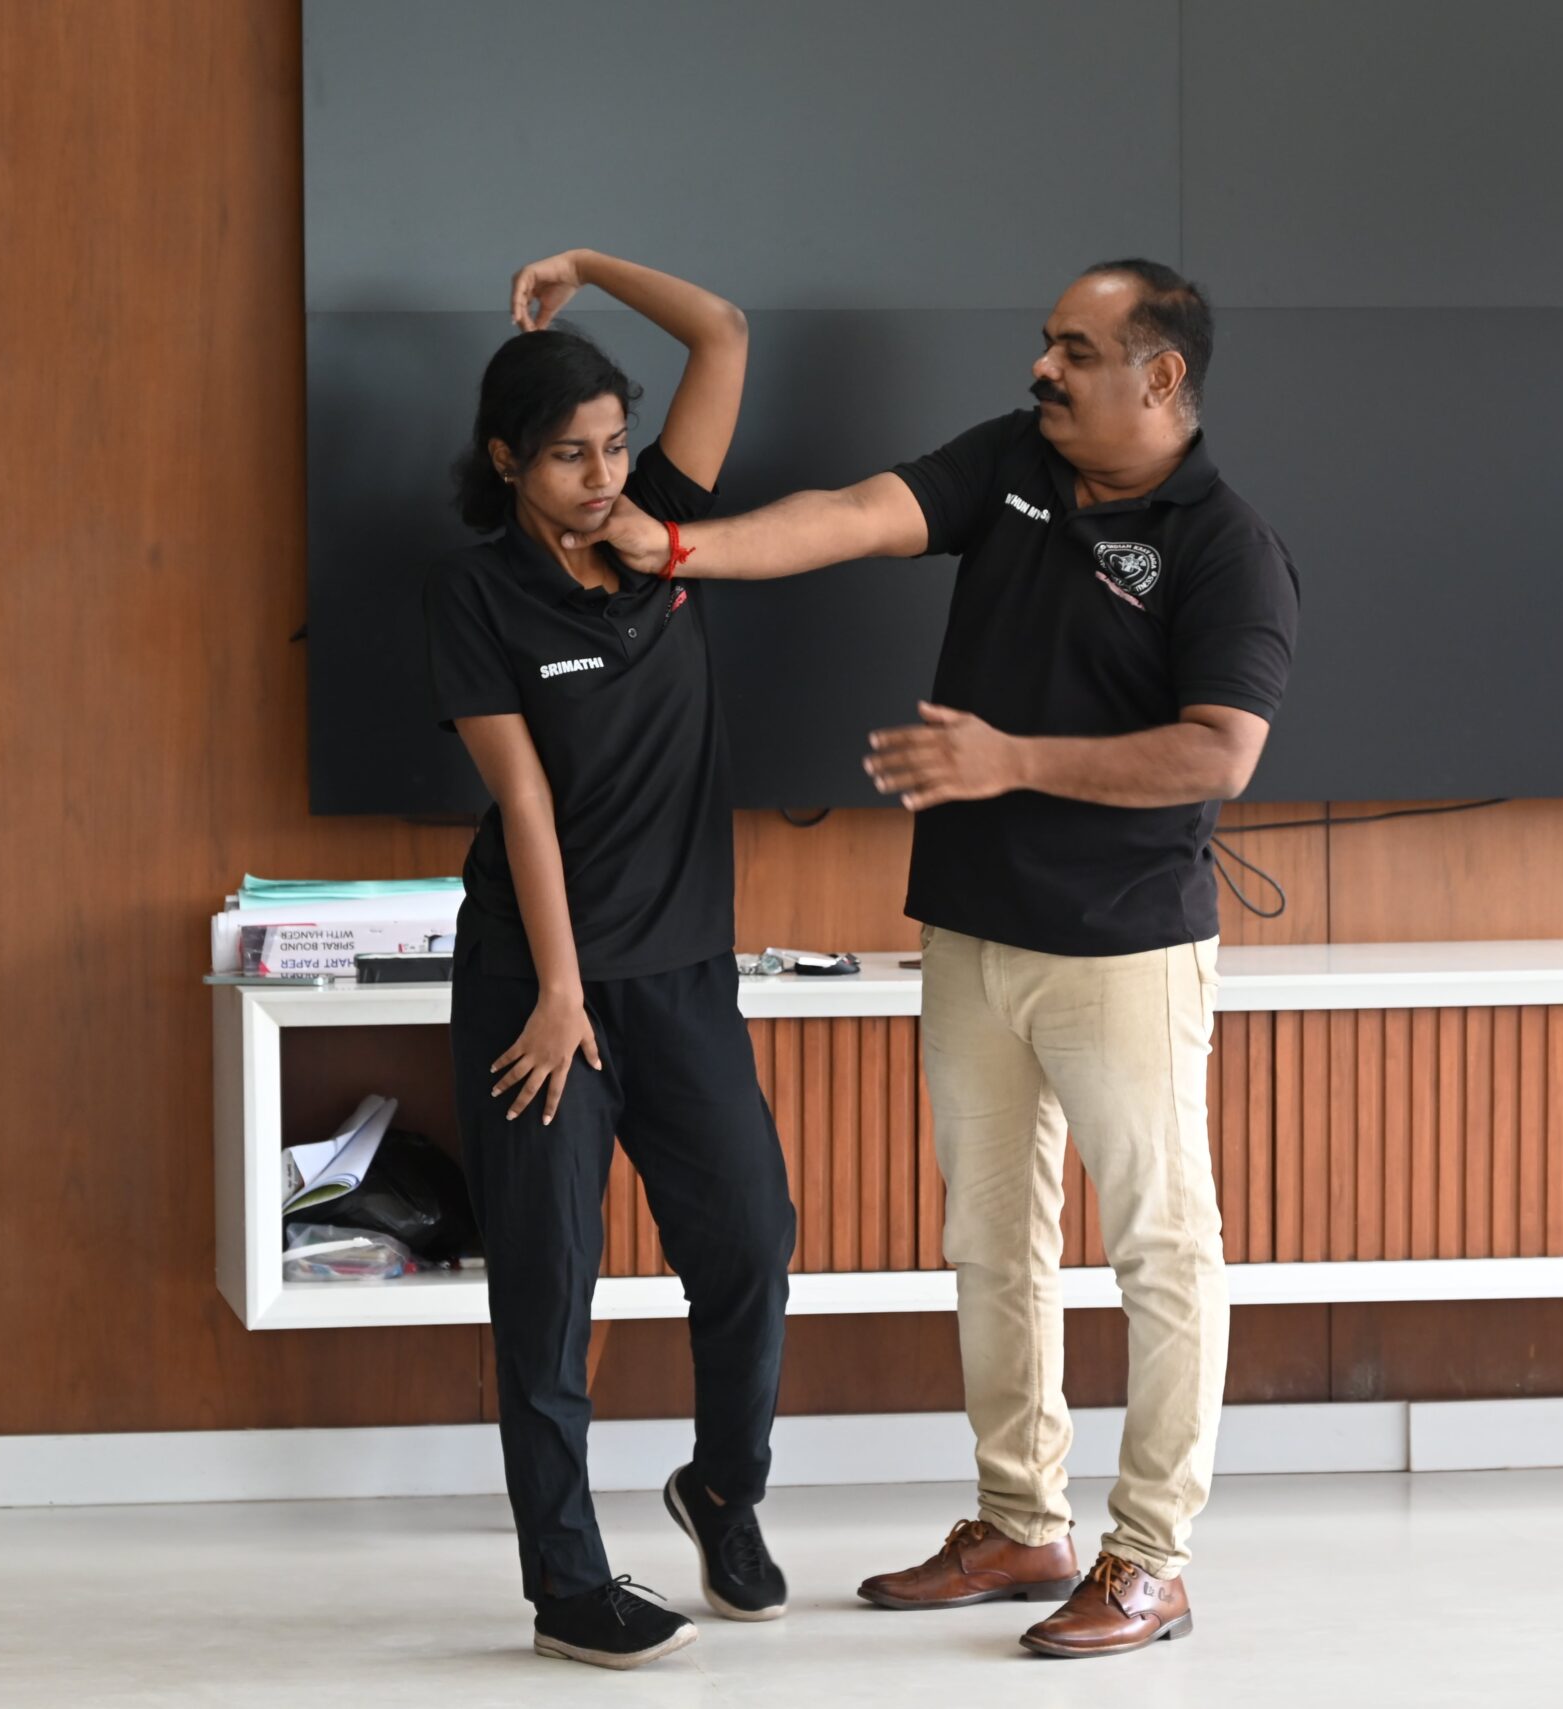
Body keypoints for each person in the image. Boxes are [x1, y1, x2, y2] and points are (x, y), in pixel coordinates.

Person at [567, 260, 1300, 1660]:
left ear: (1161, 376)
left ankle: (1152, 1557)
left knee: (1162, 1248)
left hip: (1124, 948)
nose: (1042, 368)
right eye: (1045, 343)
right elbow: (855, 513)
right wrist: (679, 550)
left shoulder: (1226, 547)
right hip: (968, 930)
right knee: (991, 1240)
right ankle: (1023, 1520)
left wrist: (1009, 760)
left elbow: (1220, 752)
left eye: (1074, 350)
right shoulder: (1017, 463)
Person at [422, 249, 798, 1671]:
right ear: (507, 461)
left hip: (684, 976)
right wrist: (560, 993)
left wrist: (584, 264)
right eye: (570, 454)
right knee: (549, 1280)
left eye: (616, 444)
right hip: (540, 988)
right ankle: (568, 1585)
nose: (602, 476)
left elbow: (727, 330)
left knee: (750, 1240)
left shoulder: (665, 532)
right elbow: (524, 803)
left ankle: (725, 1491)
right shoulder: (474, 597)